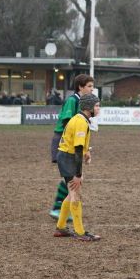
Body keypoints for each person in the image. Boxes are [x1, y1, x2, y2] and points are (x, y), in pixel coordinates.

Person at [54, 93, 101, 241]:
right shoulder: (81, 121)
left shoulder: (81, 119)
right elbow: (78, 148)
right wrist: (78, 174)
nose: (99, 109)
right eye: (97, 106)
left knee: (71, 192)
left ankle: (61, 228)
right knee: (75, 193)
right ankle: (80, 232)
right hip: (68, 158)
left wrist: (87, 152)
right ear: (89, 107)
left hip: (67, 156)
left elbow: (80, 146)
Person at [48, 74, 95, 221]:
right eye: (89, 86)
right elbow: (66, 121)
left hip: (71, 142)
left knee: (71, 176)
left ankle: (60, 208)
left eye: (92, 86)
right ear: (80, 87)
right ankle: (58, 208)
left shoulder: (83, 102)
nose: (92, 89)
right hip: (63, 141)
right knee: (71, 176)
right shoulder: (72, 100)